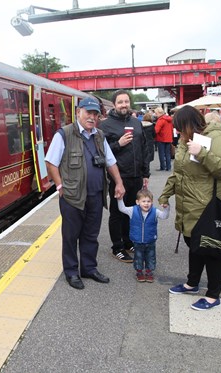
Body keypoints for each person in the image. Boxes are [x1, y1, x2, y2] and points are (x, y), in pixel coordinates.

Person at [159, 105, 221, 311]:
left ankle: (213, 295)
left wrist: (203, 154)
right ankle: (192, 283)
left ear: (189, 124)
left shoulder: (219, 139)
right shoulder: (186, 140)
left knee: (211, 249)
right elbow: (179, 173)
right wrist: (166, 194)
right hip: (188, 204)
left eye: (179, 128)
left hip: (208, 205)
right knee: (193, 244)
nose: (178, 133)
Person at [45, 97, 125, 290]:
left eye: (95, 114)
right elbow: (50, 162)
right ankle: (71, 272)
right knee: (71, 236)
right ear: (78, 112)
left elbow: (110, 161)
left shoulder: (99, 135)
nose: (92, 117)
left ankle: (88, 268)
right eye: (88, 113)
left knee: (91, 234)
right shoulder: (64, 134)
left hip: (96, 194)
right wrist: (59, 185)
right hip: (72, 196)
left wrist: (119, 183)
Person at [99, 90, 151, 263]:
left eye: (126, 101)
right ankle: (117, 247)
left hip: (136, 176)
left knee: (132, 212)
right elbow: (100, 153)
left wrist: (145, 173)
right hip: (118, 177)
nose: (123, 105)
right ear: (114, 105)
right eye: (120, 102)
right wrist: (118, 144)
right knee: (117, 212)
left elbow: (144, 149)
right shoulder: (105, 126)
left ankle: (128, 242)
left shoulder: (136, 123)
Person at [118, 189, 169, 283]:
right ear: (138, 202)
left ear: (152, 202)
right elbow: (122, 209)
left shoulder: (155, 211)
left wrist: (166, 208)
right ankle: (139, 272)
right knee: (138, 257)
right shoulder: (132, 210)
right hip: (137, 241)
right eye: (143, 201)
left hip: (150, 240)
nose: (146, 204)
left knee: (151, 256)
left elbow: (164, 216)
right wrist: (120, 199)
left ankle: (149, 272)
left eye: (149, 201)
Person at [154, 107, 174, 171]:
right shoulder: (169, 119)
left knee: (161, 154)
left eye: (156, 113)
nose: (155, 115)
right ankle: (168, 167)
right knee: (168, 153)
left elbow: (156, 130)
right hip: (169, 138)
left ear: (159, 113)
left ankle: (162, 167)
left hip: (161, 138)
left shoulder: (160, 120)